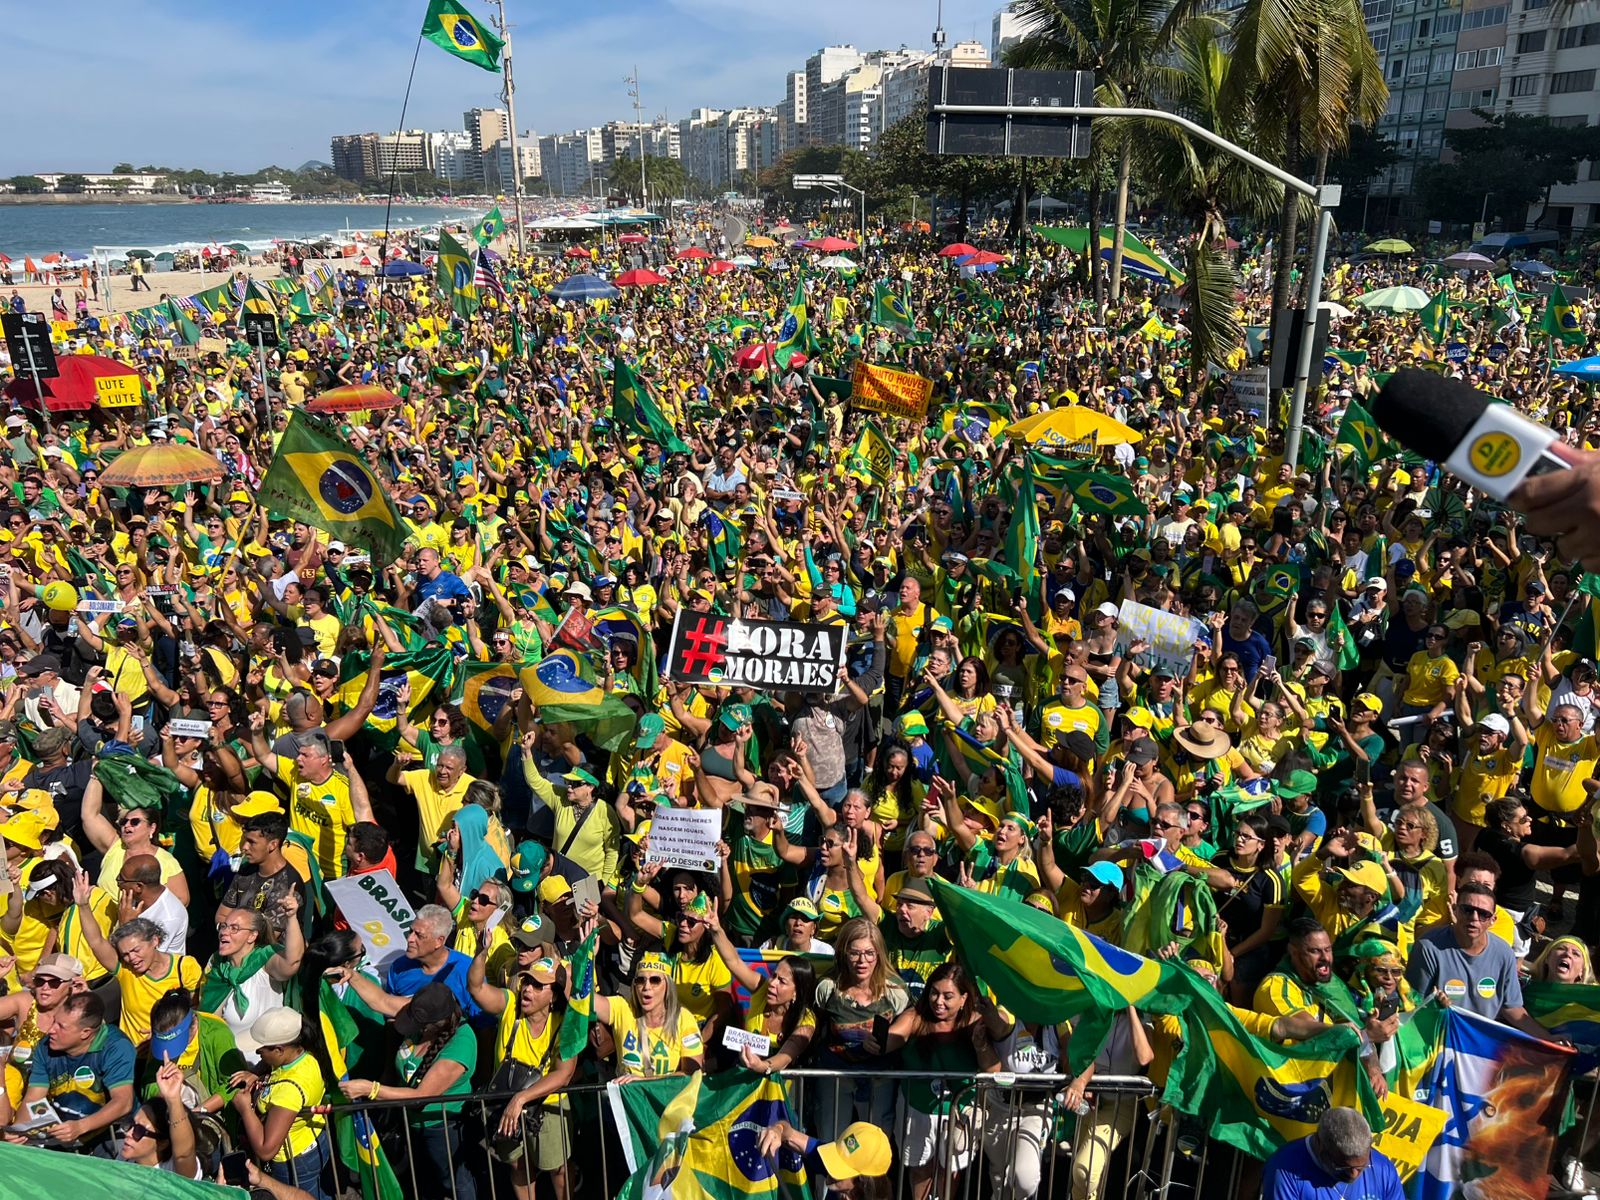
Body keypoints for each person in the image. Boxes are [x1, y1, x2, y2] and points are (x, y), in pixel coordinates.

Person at [1407, 881, 1553, 1036]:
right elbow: (1413, 1005)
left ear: (1493, 920)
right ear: (1455, 910)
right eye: (1467, 910)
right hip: (1438, 1037)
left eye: (1483, 914)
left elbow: (1511, 1007)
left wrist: (1548, 1038)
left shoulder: (1504, 954)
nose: (1474, 918)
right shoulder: (1428, 947)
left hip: (1480, 1044)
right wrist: (1434, 1008)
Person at [11, 990, 135, 1155]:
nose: (50, 1030)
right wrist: (18, 1133)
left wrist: (81, 1126)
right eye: (54, 1021)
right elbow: (34, 1099)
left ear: (86, 1033)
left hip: (109, 1133)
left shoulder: (116, 1047)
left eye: (61, 1026)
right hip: (61, 1133)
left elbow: (123, 1102)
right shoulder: (45, 1046)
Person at [229, 1006, 329, 1200]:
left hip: (294, 1162)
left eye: (261, 1048)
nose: (257, 1052)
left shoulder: (288, 1092)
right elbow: (274, 1070)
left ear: (279, 1050)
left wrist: (245, 1109)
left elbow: (266, 1149)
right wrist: (257, 1075)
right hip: (313, 1143)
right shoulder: (305, 1056)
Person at [1262, 1106, 1404, 1199]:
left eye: (1361, 1167)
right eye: (1344, 1167)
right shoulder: (1284, 1170)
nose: (1354, 1174)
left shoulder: (1383, 1169)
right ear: (1321, 1147)